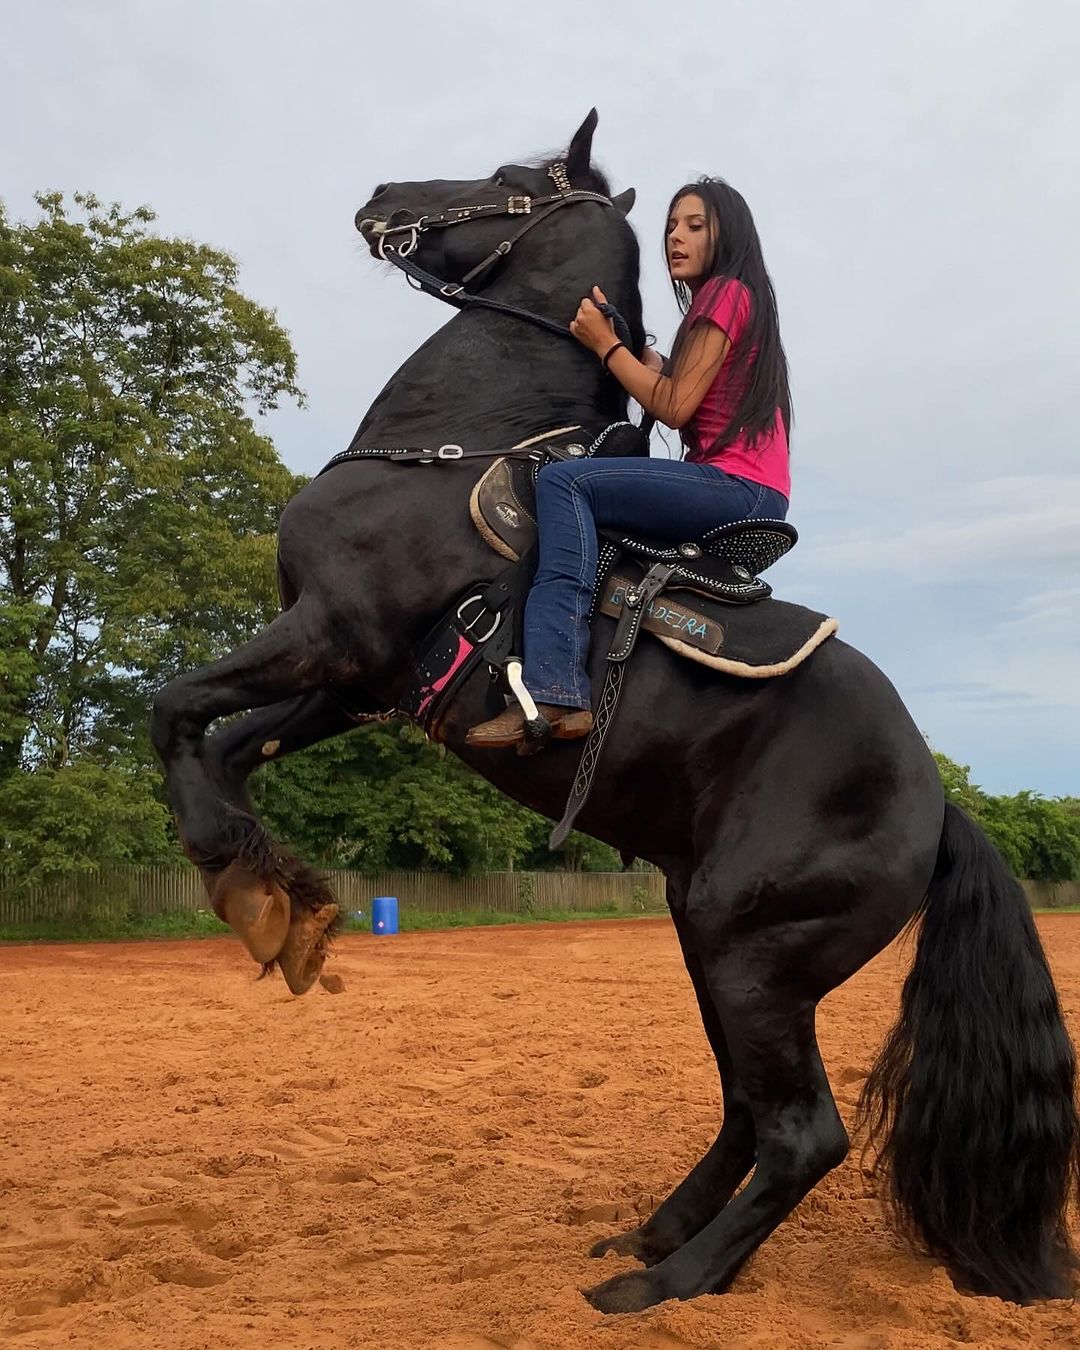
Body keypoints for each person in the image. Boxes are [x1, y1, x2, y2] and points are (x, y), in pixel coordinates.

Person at [466, 178, 791, 749]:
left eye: (694, 226)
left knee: (566, 484)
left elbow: (673, 405)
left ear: (728, 235)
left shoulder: (724, 293)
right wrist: (637, 352)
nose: (676, 237)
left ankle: (555, 687)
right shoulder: (740, 301)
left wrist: (605, 347)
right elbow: (679, 386)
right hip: (755, 490)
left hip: (735, 486)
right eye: (670, 226)